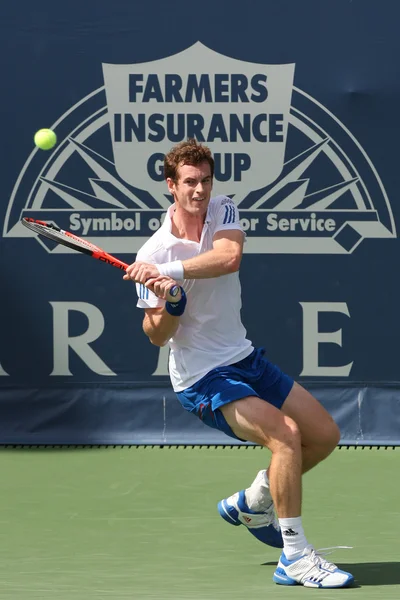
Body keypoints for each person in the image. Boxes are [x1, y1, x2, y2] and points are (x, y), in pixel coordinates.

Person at [124, 138, 354, 589]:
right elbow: (155, 337)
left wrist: (171, 277)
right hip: (203, 376)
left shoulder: (221, 210)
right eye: (190, 182)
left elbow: (230, 258)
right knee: (285, 437)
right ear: (171, 185)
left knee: (324, 436)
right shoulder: (151, 254)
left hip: (243, 356)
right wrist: (169, 304)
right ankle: (295, 557)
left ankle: (253, 500)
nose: (200, 191)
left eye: (206, 180)